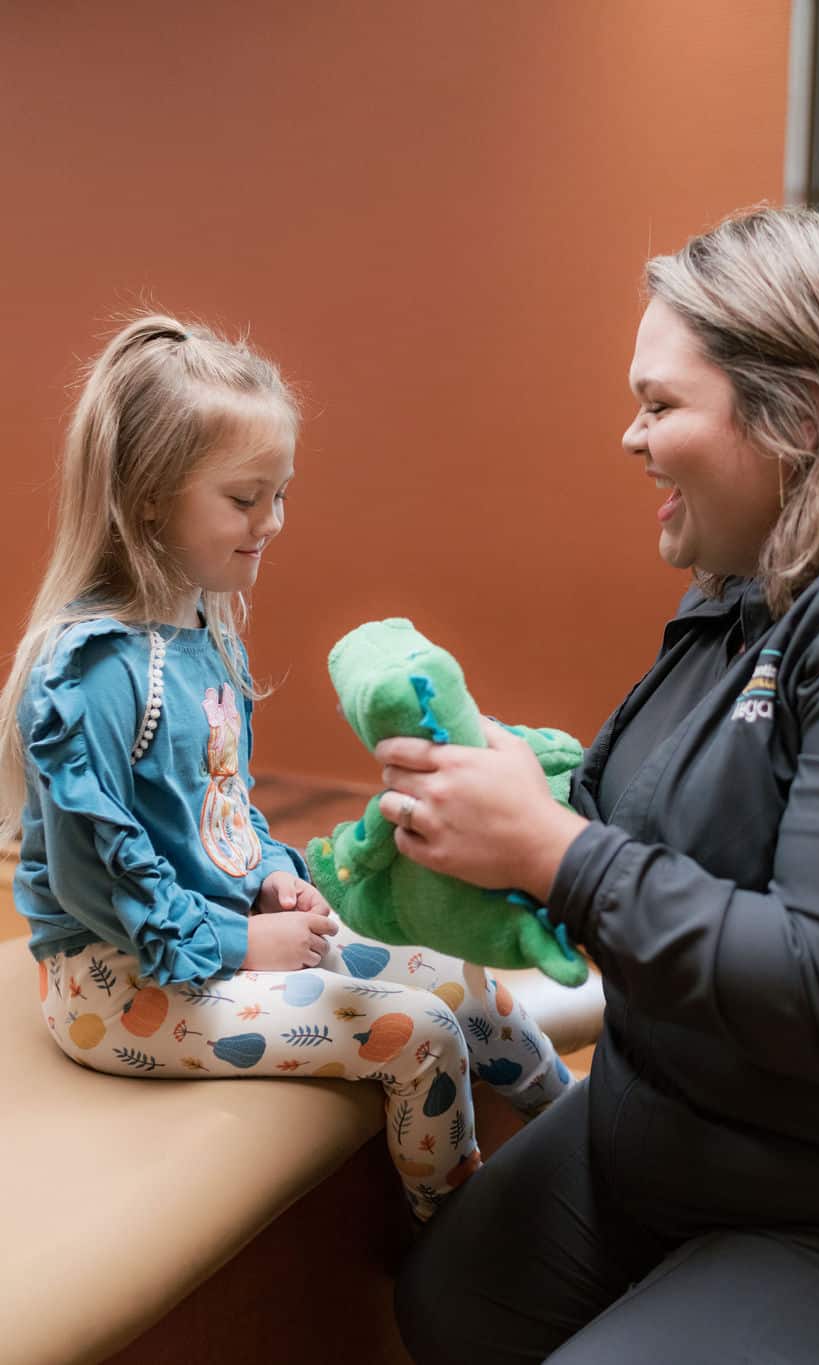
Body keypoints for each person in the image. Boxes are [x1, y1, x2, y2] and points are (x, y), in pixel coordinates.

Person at [384, 206, 819, 1360]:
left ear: (801, 415)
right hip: (675, 1131)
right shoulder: (747, 590)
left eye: (660, 405)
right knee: (450, 1300)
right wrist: (522, 792)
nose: (630, 438)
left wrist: (552, 851)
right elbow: (671, 824)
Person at [0, 314, 572, 1225]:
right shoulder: (93, 672)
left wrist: (268, 877)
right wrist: (237, 944)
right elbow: (94, 875)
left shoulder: (201, 631)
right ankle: (464, 1237)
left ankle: (585, 1151)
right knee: (417, 1031)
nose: (272, 522)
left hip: (210, 934)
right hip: (117, 982)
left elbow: (221, 812)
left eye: (280, 493)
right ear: (149, 498)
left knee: (463, 981)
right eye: (244, 498)